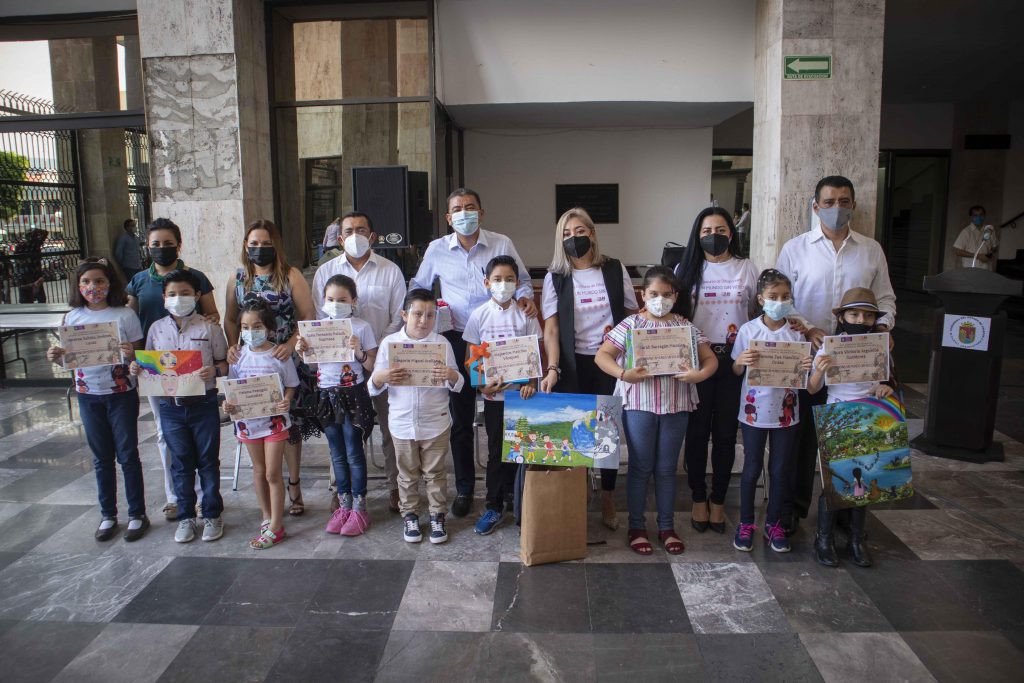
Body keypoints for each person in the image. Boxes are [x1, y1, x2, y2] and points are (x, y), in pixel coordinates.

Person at [775, 175, 896, 534]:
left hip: (857, 363)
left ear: (853, 205)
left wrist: (883, 330)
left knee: (851, 439)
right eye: (828, 202)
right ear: (815, 207)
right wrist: (809, 328)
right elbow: (784, 299)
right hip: (809, 356)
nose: (836, 208)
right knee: (802, 439)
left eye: (844, 201)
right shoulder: (795, 248)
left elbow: (886, 298)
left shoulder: (871, 249)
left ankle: (846, 509)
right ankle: (794, 511)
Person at [409, 188, 535, 518]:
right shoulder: (437, 249)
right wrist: (423, 314)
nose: (465, 213)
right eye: (457, 209)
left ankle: (507, 488)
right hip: (457, 339)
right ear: (448, 218)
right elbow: (418, 287)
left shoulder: (501, 243)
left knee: (506, 418)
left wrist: (523, 298)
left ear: (482, 211)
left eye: (470, 207)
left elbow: (520, 280)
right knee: (461, 419)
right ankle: (465, 487)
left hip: (502, 341)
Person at [595, 265, 717, 555]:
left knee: (666, 469)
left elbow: (710, 359)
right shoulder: (630, 325)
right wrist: (624, 374)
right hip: (639, 405)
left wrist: (699, 375)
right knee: (639, 468)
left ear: (675, 295)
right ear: (642, 294)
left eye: (666, 294)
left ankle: (666, 527)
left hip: (676, 405)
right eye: (653, 294)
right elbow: (603, 356)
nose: (659, 299)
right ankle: (636, 527)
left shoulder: (685, 327)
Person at [539, 207, 638, 529]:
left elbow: (630, 314)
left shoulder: (613, 269)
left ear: (592, 234)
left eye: (580, 232)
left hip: (607, 361)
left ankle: (608, 497)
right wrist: (552, 367)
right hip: (572, 363)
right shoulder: (556, 277)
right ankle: (580, 492)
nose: (574, 239)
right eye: (566, 234)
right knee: (576, 433)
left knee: (606, 433)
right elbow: (551, 329)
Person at [45, 259, 149, 542]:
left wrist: (130, 353)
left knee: (127, 455)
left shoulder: (124, 315)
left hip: (121, 393)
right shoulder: (72, 317)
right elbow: (67, 356)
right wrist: (56, 356)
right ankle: (108, 514)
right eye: (86, 282)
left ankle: (137, 513)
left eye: (99, 281)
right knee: (101, 458)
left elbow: (139, 357)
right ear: (78, 286)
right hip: (88, 394)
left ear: (110, 283)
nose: (93, 287)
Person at [312, 212, 406, 513]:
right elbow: (320, 317)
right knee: (339, 433)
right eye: (349, 230)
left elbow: (397, 317)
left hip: (380, 362)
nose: (355, 235)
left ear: (373, 235)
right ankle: (338, 489)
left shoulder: (390, 271)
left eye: (361, 229)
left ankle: (396, 487)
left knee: (390, 428)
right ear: (340, 239)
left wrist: (374, 350)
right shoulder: (324, 272)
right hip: (337, 372)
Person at [127, 217, 219, 522]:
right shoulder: (140, 281)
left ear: (178, 244)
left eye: (168, 243)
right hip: (157, 366)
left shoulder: (196, 277)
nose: (161, 248)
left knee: (201, 442)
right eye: (155, 244)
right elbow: (129, 321)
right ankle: (176, 498)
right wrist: (136, 360)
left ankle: (207, 501)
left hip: (194, 367)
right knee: (166, 433)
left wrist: (210, 327)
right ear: (147, 247)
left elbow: (212, 313)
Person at [676, 207, 759, 534]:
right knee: (696, 433)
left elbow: (756, 312)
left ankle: (720, 499)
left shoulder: (746, 268)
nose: (714, 235)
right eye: (707, 229)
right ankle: (698, 496)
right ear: (697, 235)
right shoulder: (686, 268)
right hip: (697, 359)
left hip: (735, 361)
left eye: (721, 228)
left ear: (731, 233)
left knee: (725, 434)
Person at [225, 219, 316, 516]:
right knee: (258, 425)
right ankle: (270, 487)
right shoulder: (237, 279)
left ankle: (294, 484)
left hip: (283, 361)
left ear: (275, 245)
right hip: (251, 366)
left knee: (288, 426)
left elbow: (308, 315)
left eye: (266, 243)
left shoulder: (290, 276)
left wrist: (291, 344)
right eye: (254, 244)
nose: (259, 249)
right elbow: (230, 317)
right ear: (245, 246)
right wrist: (233, 346)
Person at [131, 269, 227, 543]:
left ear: (197, 296)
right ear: (163, 298)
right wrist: (137, 367)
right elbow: (149, 365)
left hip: (203, 403)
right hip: (171, 407)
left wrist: (215, 373)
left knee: (208, 461)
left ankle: (211, 514)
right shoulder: (156, 329)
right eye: (172, 294)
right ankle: (186, 517)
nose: (179, 299)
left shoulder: (209, 328)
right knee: (181, 463)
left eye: (185, 293)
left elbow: (224, 363)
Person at [807, 287, 896, 568]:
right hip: (837, 413)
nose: (860, 320)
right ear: (843, 316)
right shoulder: (830, 345)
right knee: (834, 481)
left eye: (867, 316)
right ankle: (824, 539)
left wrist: (885, 388)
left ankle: (857, 539)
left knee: (865, 481)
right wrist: (820, 369)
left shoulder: (879, 347)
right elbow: (811, 389)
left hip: (869, 415)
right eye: (854, 314)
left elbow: (889, 382)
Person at [369, 289, 464, 544]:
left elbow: (459, 381)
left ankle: (437, 515)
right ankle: (410, 514)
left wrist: (449, 375)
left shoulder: (442, 344)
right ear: (404, 314)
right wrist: (384, 376)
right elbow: (373, 383)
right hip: (401, 423)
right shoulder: (390, 344)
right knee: (407, 474)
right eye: (418, 314)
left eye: (430, 315)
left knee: (436, 473)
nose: (424, 321)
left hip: (436, 422)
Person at [731, 269, 814, 554]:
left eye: (785, 297)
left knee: (780, 470)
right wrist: (741, 360)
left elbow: (808, 372)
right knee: (751, 468)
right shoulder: (748, 330)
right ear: (761, 299)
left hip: (787, 412)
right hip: (754, 412)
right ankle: (745, 523)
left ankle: (775, 524)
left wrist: (806, 368)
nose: (779, 301)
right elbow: (735, 369)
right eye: (773, 296)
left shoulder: (797, 331)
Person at [461, 255, 542, 536]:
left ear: (517, 283)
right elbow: (470, 359)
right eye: (497, 279)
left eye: (509, 279)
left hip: (523, 398)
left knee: (522, 450)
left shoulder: (526, 314)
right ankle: (494, 505)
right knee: (497, 451)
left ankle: (517, 500)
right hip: (494, 398)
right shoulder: (479, 315)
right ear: (487, 283)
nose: (503, 284)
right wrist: (481, 386)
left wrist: (531, 382)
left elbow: (535, 354)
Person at [296, 274, 378, 537]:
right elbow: (311, 365)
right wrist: (302, 351)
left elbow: (371, 366)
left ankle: (359, 507)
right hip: (326, 396)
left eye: (342, 299)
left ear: (353, 301)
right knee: (336, 452)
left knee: (354, 451)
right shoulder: (317, 327)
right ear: (323, 301)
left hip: (353, 395)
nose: (336, 304)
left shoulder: (362, 327)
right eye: (331, 299)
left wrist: (359, 351)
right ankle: (343, 505)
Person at [224, 299, 300, 549]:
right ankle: (266, 516)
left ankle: (277, 526)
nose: (250, 332)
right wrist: (228, 406)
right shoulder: (238, 357)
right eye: (244, 327)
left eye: (256, 326)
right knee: (258, 470)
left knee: (272, 473)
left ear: (268, 328)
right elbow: (232, 390)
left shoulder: (279, 354)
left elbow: (291, 384)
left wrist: (287, 401)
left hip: (275, 423)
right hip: (248, 424)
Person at [953, 205, 999, 271]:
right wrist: (978, 256)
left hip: (987, 270)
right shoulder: (966, 231)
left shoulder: (989, 229)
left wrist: (990, 254)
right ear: (971, 217)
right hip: (971, 270)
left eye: (981, 215)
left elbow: (995, 247)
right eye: (975, 215)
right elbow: (957, 251)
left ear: (984, 216)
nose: (979, 217)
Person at [13, 228, 48, 303]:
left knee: (39, 297)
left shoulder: (35, 244)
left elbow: (45, 233)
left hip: (32, 273)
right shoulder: (26, 245)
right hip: (27, 273)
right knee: (29, 297)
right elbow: (17, 259)